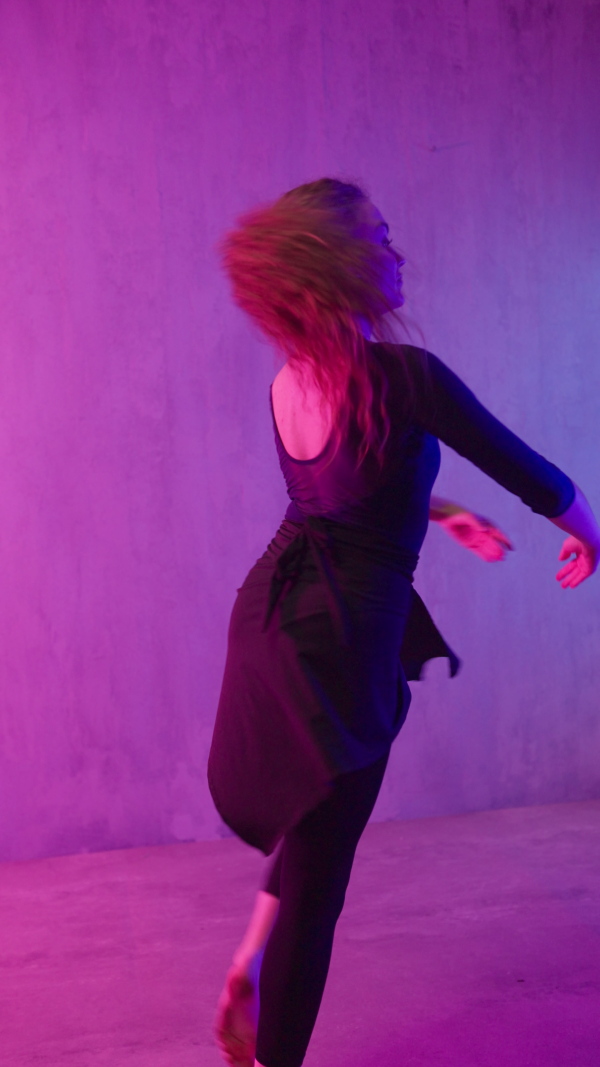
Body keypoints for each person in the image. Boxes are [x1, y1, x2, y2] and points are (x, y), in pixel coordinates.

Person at [207, 178, 599, 1067]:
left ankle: (246, 955)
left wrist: (443, 512)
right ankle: (269, 1016)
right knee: (322, 889)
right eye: (382, 235)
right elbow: (527, 470)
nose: (397, 249)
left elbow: (340, 495)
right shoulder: (407, 378)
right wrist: (593, 535)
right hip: (343, 638)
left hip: (275, 619)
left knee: (317, 793)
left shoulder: (289, 382)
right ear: (342, 264)